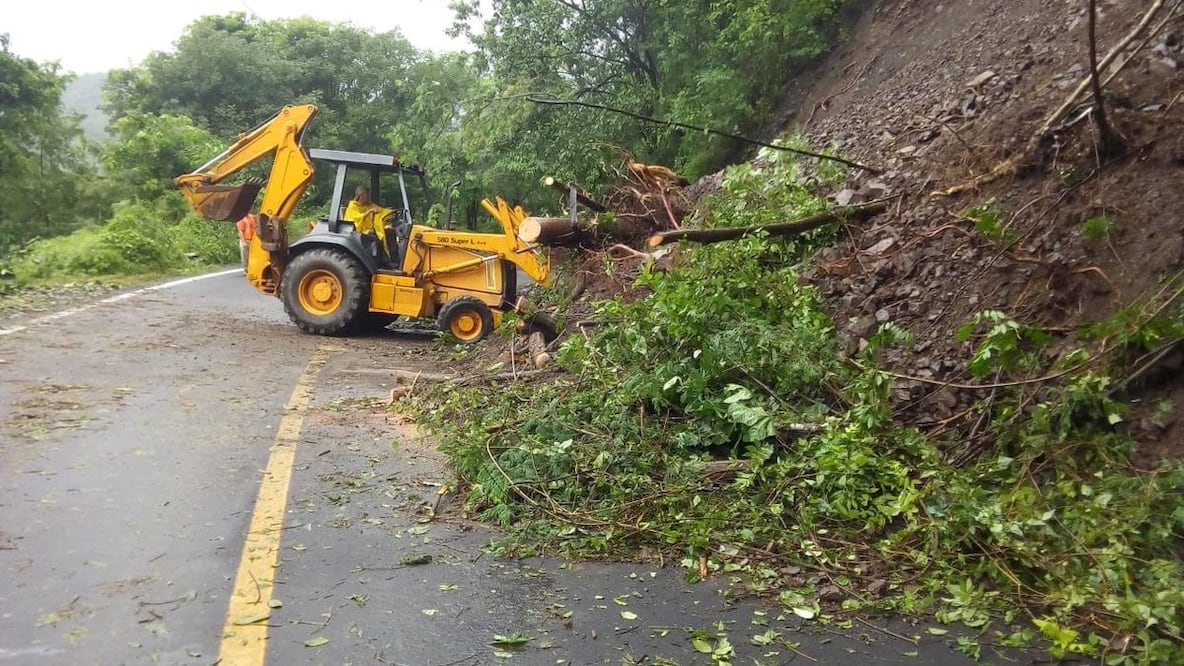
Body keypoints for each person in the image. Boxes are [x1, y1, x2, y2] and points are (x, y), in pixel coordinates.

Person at [344, 186, 395, 256]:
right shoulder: (353, 206)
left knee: (390, 232)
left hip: (370, 229)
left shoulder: (369, 205)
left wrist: (391, 212)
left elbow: (381, 210)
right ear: (360, 196)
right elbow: (356, 218)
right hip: (358, 230)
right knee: (375, 237)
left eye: (368, 195)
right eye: (366, 195)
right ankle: (379, 258)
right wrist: (369, 212)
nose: (368, 197)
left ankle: (391, 257)